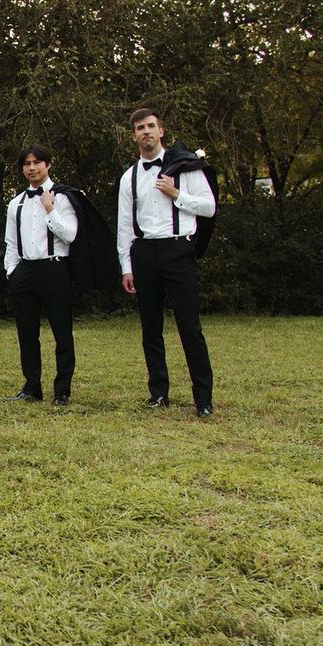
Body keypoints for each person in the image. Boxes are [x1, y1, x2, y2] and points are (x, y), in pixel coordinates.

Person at [117, 109, 216, 416]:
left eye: (150, 126)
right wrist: (126, 266)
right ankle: (158, 393)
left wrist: (177, 194)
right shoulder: (129, 176)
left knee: (189, 325)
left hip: (177, 250)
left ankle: (203, 400)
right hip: (145, 253)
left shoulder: (185, 168)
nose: (146, 132)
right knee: (150, 328)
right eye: (139, 128)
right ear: (133, 136)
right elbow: (124, 225)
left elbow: (209, 207)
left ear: (161, 131)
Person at [2, 145, 79, 406]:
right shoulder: (16, 203)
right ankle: (32, 386)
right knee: (26, 331)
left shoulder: (64, 197)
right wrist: (12, 272)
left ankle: (62, 390)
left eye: (37, 162)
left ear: (48, 164)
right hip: (24, 270)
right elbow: (11, 242)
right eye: (26, 163)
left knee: (61, 331)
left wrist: (50, 209)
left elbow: (69, 235)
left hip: (54, 267)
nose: (31, 167)